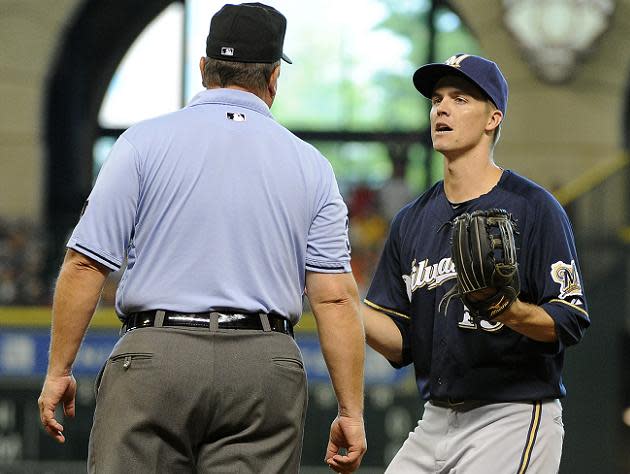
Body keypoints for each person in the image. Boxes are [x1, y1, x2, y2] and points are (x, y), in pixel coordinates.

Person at [37, 3, 366, 473]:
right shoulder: (311, 166)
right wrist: (351, 411)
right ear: (273, 78)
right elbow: (334, 299)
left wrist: (58, 371)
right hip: (264, 366)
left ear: (203, 69)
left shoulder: (141, 144)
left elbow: (86, 264)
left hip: (156, 356)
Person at [363, 53, 590, 473]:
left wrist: (506, 308)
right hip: (434, 418)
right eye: (436, 100)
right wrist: (338, 302)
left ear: (493, 118)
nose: (442, 109)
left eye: (460, 98)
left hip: (512, 414)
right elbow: (402, 340)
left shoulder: (534, 208)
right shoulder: (411, 220)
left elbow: (569, 321)